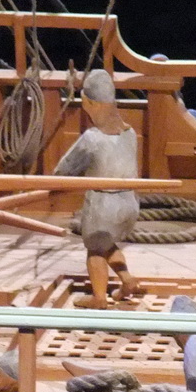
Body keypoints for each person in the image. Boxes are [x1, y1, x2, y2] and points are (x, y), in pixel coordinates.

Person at [54, 69, 142, 309]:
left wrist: (56, 184)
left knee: (94, 249)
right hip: (129, 203)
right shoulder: (130, 133)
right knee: (108, 243)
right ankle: (127, 280)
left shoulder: (92, 138)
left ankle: (99, 298)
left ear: (90, 103)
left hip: (104, 204)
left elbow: (63, 170)